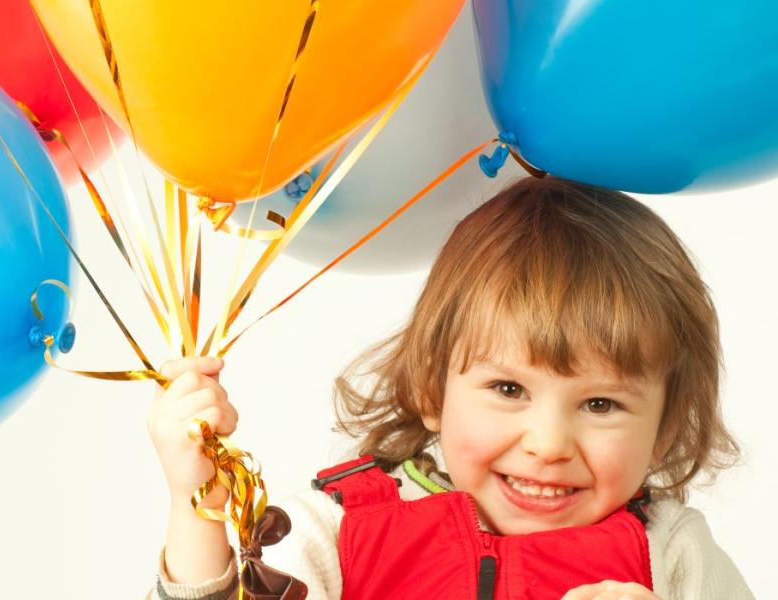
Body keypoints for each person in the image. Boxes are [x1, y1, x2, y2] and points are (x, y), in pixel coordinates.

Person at [146, 176, 754, 599]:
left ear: (666, 425)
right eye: (509, 390)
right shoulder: (338, 530)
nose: (548, 443)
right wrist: (194, 507)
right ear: (432, 390)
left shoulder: (670, 553)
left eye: (600, 404)